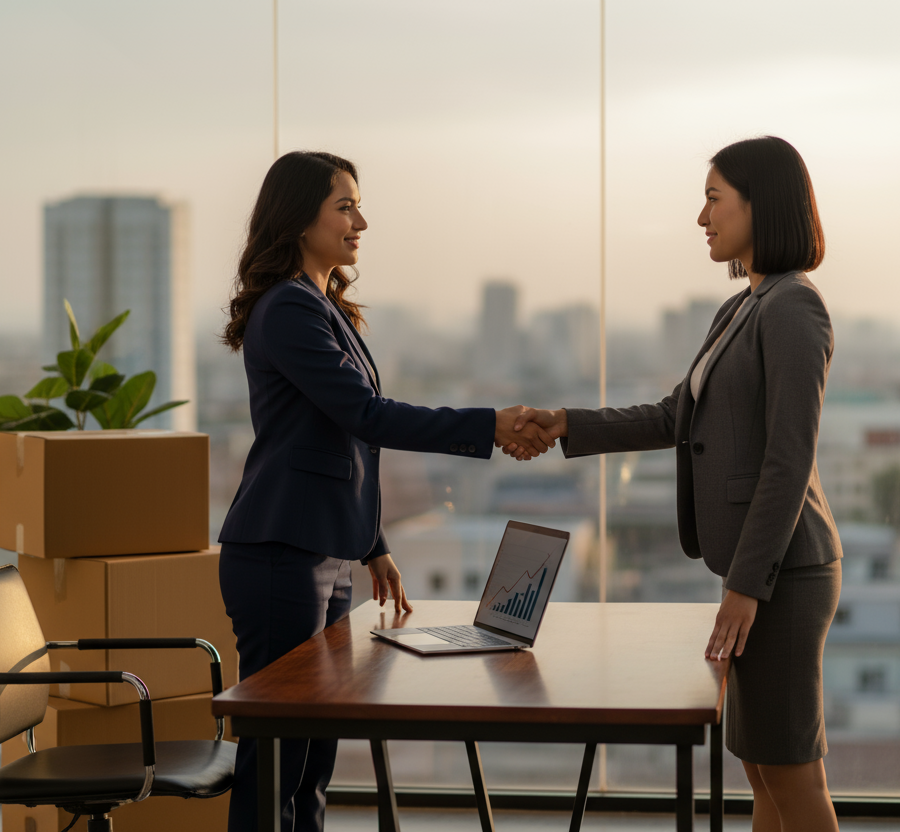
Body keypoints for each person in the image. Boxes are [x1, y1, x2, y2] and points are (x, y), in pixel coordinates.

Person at [508, 136, 842, 832]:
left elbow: (788, 460)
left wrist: (746, 585)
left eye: (714, 199)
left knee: (791, 774)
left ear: (760, 204)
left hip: (783, 574)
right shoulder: (743, 307)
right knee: (763, 770)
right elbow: (674, 416)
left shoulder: (792, 308)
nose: (701, 218)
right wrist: (566, 423)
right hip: (760, 572)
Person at [217, 150, 554, 832]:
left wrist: (372, 544)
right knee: (276, 763)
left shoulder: (323, 306)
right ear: (299, 218)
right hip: (282, 553)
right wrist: (490, 426)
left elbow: (343, 444)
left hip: (324, 552)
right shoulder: (289, 308)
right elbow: (366, 417)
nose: (360, 223)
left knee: (312, 761)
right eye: (344, 207)